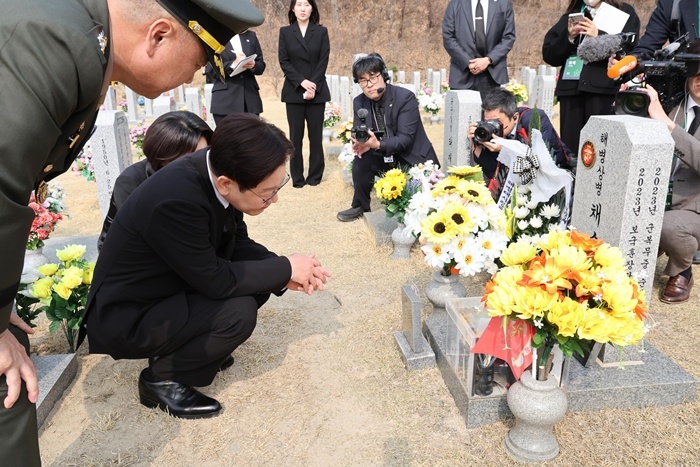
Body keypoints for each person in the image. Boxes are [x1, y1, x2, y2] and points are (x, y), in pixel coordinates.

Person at [0, 0, 263, 462]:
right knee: (8, 383)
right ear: (159, 35)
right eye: (198, 62)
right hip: (135, 306)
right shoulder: (59, 45)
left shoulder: (84, 42)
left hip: (167, 290)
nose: (193, 78)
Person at [81, 114, 331, 419]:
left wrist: (283, 270)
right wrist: (284, 269)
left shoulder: (217, 170)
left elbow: (236, 243)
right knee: (238, 313)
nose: (274, 199)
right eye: (267, 193)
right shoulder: (176, 198)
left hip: (168, 287)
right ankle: (162, 380)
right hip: (131, 312)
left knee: (260, 282)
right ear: (226, 184)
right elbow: (216, 280)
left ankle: (191, 349)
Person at [336, 54, 440, 222]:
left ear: (383, 75)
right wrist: (361, 143)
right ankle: (360, 206)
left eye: (373, 77)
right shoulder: (359, 102)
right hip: (383, 156)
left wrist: (377, 144)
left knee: (427, 205)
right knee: (361, 160)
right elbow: (358, 130)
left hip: (412, 157)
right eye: (363, 81)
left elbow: (405, 138)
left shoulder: (404, 97)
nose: (369, 85)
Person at [98, 111, 213, 250]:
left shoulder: (209, 174)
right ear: (162, 157)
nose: (198, 163)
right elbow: (156, 238)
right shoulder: (132, 182)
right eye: (187, 159)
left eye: (203, 154)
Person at [542, 0, 639, 154]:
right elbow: (549, 54)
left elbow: (631, 50)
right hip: (571, 92)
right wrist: (569, 36)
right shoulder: (574, 13)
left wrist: (598, 35)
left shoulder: (624, 12)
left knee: (598, 152)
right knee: (571, 152)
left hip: (603, 92)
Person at [636, 72, 700, 303]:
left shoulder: (665, 115)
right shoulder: (670, 104)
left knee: (668, 227)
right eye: (697, 73)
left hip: (694, 208)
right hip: (657, 194)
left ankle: (682, 270)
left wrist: (669, 125)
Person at [468, 88, 573, 200]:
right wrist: (477, 147)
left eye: (496, 122)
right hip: (519, 189)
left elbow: (544, 160)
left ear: (515, 117)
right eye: (487, 122)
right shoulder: (492, 133)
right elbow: (494, 172)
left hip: (557, 180)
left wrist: (506, 148)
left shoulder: (534, 119)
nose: (491, 126)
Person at [278, 0, 331, 188]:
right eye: (299, 4)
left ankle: (315, 176)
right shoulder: (285, 32)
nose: (302, 8)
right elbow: (284, 61)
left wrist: (312, 86)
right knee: (295, 137)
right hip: (294, 91)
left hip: (317, 91)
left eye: (306, 5)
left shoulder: (321, 32)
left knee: (316, 136)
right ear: (293, 8)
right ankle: (297, 178)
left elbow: (323, 60)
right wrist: (302, 82)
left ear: (312, 8)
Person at [441, 0, 516, 99]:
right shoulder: (455, 4)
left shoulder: (503, 3)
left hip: (491, 74)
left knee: (490, 108)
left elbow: (508, 37)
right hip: (462, 73)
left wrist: (488, 59)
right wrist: (468, 62)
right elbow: (448, 37)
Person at [209, 29, 266, 123]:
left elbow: (261, 66)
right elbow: (211, 70)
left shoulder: (251, 35)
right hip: (225, 101)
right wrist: (234, 64)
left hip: (249, 99)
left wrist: (253, 65)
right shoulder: (215, 35)